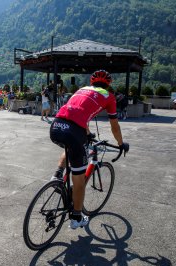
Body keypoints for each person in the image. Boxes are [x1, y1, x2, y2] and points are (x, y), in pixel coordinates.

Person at [49, 70, 129, 229]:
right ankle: (77, 218)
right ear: (108, 84)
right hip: (74, 131)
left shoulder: (81, 90)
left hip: (56, 125)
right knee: (78, 179)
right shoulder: (108, 96)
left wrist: (87, 133)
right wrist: (121, 144)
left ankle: (57, 176)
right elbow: (115, 126)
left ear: (92, 83)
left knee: (70, 146)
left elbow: (77, 113)